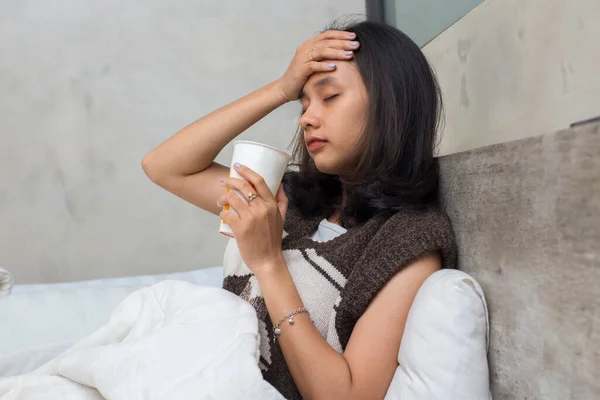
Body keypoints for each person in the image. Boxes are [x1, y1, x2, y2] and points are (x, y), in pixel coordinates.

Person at [142, 19, 457, 400]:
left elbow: (347, 395)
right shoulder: (293, 201)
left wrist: (269, 263)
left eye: (330, 97)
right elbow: (164, 166)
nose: (307, 117)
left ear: (391, 106)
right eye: (303, 103)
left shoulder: (408, 239)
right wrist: (280, 88)